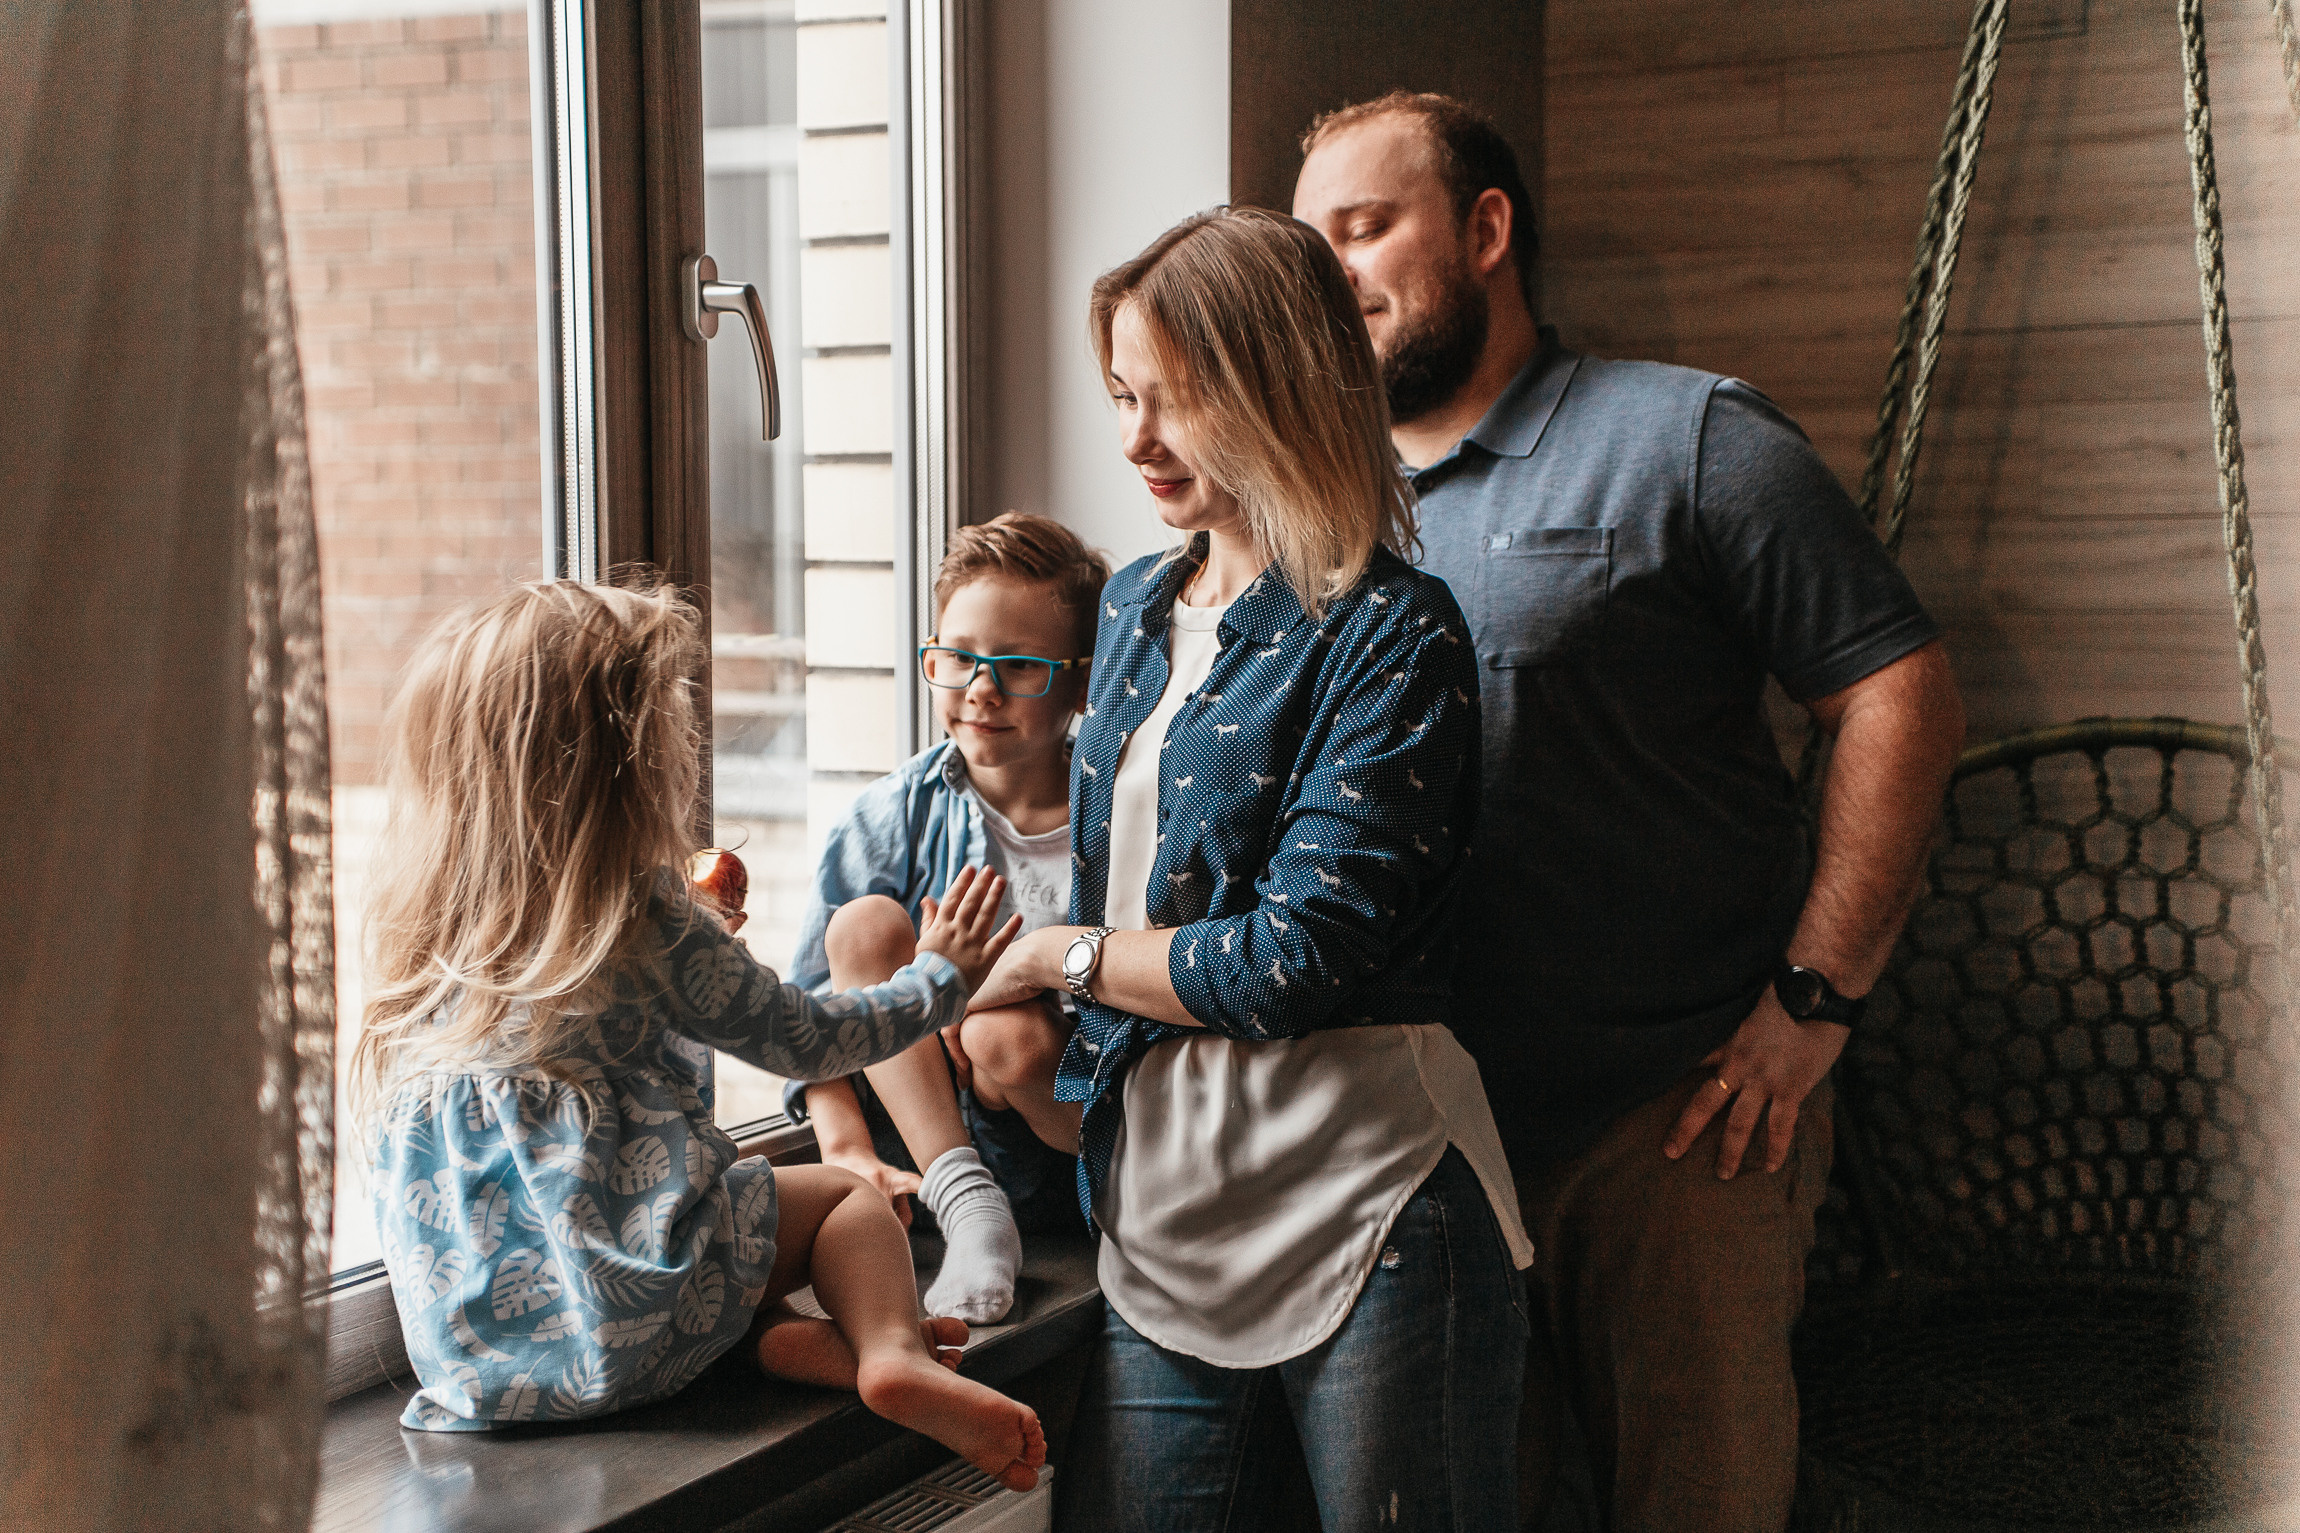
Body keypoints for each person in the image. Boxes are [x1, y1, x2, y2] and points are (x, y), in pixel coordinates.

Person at [1293, 92, 1969, 1530]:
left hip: (1678, 1125)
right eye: (1315, 245)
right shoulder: (1318, 509)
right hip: (1416, 1149)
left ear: (1485, 230)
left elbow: (1898, 695)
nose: (1334, 271)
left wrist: (1817, 997)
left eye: (1365, 227)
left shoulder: (1687, 436)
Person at [963, 206, 1533, 1532]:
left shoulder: (1393, 632)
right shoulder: (1127, 608)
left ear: (1281, 384)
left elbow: (1292, 962)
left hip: (1371, 1203)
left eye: (1176, 398)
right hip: (1164, 1218)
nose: (1135, 440)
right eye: (1121, 396)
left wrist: (1058, 958)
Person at [349, 578, 1045, 1491]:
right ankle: (888, 1354)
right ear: (626, 766)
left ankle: (796, 1345)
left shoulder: (424, 937)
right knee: (840, 1203)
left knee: (678, 1265)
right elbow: (808, 1039)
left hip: (487, 1369)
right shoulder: (648, 921)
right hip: (646, 1315)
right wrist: (938, 976)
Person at [780, 513, 1104, 1325]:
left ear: (1081, 682)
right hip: (934, 1158)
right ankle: (969, 1207)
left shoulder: (1117, 817)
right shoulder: (894, 813)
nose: (981, 689)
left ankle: (1042, 1208)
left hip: (1069, 1141)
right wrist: (844, 1146)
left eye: (1020, 666)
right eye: (959, 659)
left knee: (1003, 1035)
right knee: (860, 927)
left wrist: (959, 991)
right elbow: (809, 1008)